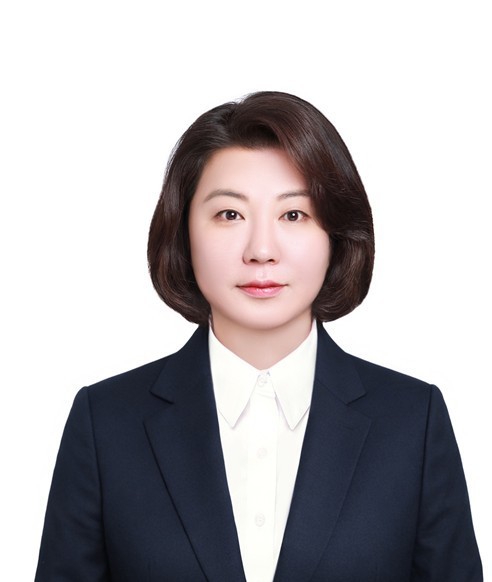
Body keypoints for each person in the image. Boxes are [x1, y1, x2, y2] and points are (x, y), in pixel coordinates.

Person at [35, 91, 482, 581]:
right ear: (183, 231)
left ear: (335, 235)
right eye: (230, 214)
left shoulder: (413, 421)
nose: (261, 250)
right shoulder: (105, 423)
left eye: (294, 214)